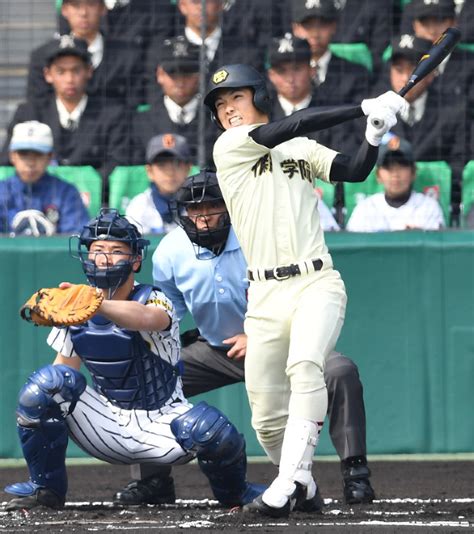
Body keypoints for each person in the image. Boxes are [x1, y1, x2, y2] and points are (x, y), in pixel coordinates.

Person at [202, 63, 407, 517]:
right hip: (264, 295)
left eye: (236, 97)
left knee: (306, 366)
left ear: (257, 95)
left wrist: (372, 134)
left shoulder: (299, 147)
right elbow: (293, 123)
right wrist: (360, 107)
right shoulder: (229, 146)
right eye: (220, 104)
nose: (228, 109)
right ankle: (302, 482)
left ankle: (287, 483)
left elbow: (353, 171)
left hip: (316, 281)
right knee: (266, 418)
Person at [3, 208, 264, 511]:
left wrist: (97, 304)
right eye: (98, 251)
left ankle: (237, 493)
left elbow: (146, 318)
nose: (105, 258)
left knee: (210, 429)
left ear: (136, 260)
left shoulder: (153, 298)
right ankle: (45, 489)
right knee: (46, 385)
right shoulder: (76, 307)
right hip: (105, 423)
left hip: (162, 427)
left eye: (116, 251)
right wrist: (39, 409)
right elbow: (64, 373)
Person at [1, 36, 130, 193]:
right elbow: (8, 159)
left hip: (95, 200)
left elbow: (118, 163)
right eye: (60, 71)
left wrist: (82, 184)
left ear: (89, 71)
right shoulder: (29, 113)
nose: (69, 79)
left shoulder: (112, 113)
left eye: (76, 70)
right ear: (48, 74)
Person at [377, 33, 468, 225]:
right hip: (383, 206)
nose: (404, 78)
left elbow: (460, 166)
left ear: (431, 74)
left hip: (436, 204)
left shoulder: (453, 112)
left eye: (411, 70)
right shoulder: (376, 111)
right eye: (398, 69)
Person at [28, 0, 145, 109]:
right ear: (64, 10)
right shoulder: (43, 57)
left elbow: (135, 104)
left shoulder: (128, 54)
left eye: (91, 4)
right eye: (76, 5)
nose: (83, 13)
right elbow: (38, 104)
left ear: (103, 8)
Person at [133, 36, 218, 166]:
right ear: (160, 75)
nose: (180, 81)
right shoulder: (141, 121)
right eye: (173, 73)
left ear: (200, 75)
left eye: (188, 73)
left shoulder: (215, 119)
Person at [0, 121, 89, 235]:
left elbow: (76, 238)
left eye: (38, 154)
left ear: (49, 157)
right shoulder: (1, 191)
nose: (31, 162)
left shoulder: (66, 193)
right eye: (24, 154)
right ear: (12, 156)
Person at [346, 135, 445, 232]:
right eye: (388, 167)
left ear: (413, 172)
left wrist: (419, 238)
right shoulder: (365, 209)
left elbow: (438, 246)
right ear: (378, 175)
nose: (395, 174)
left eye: (402, 166)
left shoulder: (428, 207)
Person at [290, 0, 372, 106]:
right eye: (308, 26)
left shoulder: (356, 75)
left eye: (322, 25)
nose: (315, 34)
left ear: (333, 27)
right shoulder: (282, 76)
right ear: (295, 29)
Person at [126, 133, 193, 234]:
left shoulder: (199, 205)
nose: (170, 172)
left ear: (188, 169)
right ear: (149, 171)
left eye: (177, 164)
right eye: (161, 165)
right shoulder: (139, 206)